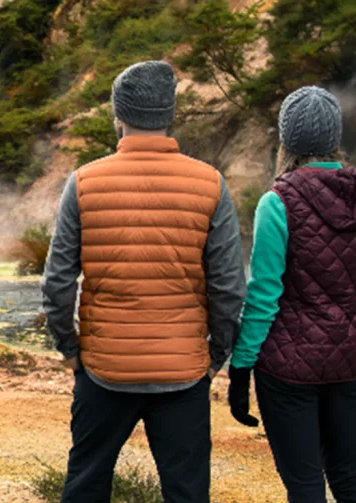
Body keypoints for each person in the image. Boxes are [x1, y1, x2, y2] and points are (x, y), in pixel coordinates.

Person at [42, 60, 246, 503]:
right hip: (183, 374)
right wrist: (215, 355)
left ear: (119, 116)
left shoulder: (83, 183)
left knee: (85, 486)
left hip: (104, 370)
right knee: (187, 493)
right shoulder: (210, 184)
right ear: (170, 115)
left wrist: (70, 350)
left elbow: (57, 283)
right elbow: (229, 288)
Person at [227, 85, 356, 503]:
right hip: (347, 363)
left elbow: (263, 297)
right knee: (350, 479)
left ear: (287, 140)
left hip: (286, 371)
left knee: (305, 486)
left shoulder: (277, 202)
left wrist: (241, 368)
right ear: (335, 138)